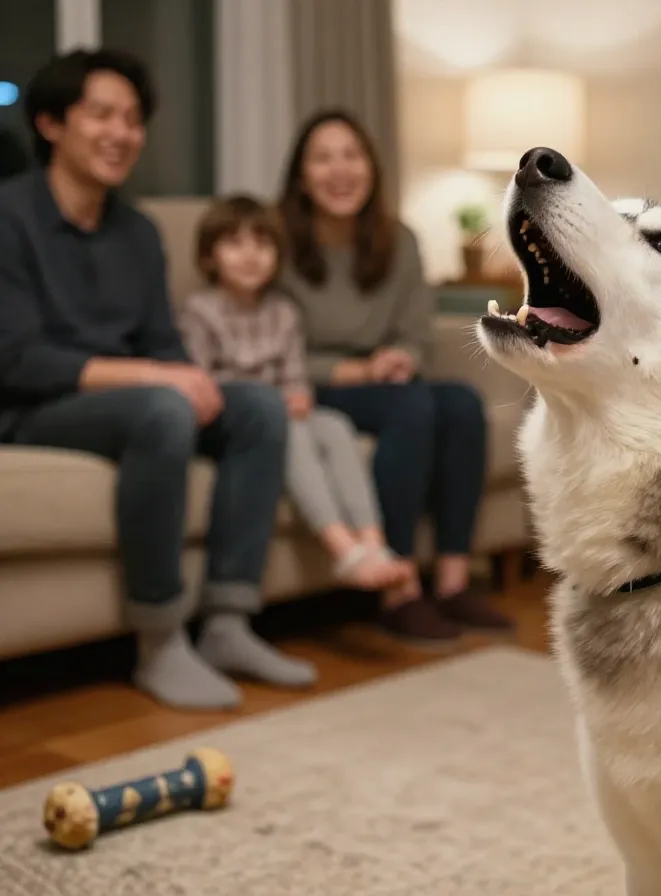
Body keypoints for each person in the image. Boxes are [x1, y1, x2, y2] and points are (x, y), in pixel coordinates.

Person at [0, 49, 314, 711]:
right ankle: (160, 640)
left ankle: (228, 621)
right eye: (103, 115)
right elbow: (17, 358)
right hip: (34, 408)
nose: (122, 133)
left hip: (129, 400)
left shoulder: (137, 232)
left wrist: (188, 378)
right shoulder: (10, 217)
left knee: (256, 406)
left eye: (134, 119)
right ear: (52, 123)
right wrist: (155, 377)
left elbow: (165, 346)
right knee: (161, 410)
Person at [276, 108, 512, 644]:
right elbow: (276, 347)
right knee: (414, 407)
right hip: (315, 383)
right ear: (301, 176)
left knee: (460, 403)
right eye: (323, 158)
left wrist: (402, 358)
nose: (340, 171)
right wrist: (356, 369)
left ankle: (452, 580)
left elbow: (416, 331)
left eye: (351, 156)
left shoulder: (398, 239)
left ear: (371, 167)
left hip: (386, 380)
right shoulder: (281, 244)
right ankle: (398, 586)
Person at [180, 194, 415, 595]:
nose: (250, 255)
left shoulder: (283, 313)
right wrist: (275, 405)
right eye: (234, 244)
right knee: (292, 433)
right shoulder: (199, 311)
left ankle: (373, 542)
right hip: (233, 420)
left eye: (262, 244)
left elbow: (295, 376)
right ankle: (343, 548)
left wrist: (299, 397)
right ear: (208, 257)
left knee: (335, 425)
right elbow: (198, 381)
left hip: (287, 411)